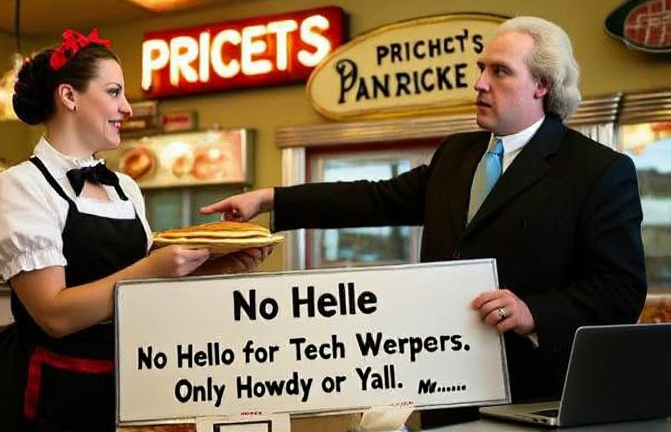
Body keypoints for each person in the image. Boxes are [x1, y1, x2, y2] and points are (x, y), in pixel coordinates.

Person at [201, 16, 647, 409]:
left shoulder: (597, 170)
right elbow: (374, 198)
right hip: (443, 388)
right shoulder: (456, 153)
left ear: (542, 85)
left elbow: (621, 290)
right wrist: (269, 199)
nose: (479, 83)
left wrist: (534, 311)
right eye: (481, 69)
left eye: (500, 71)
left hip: (532, 394)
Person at [0, 29, 270, 432]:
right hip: (48, 390)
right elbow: (54, 315)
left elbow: (139, 295)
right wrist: (154, 266)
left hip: (126, 383)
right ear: (69, 96)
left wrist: (215, 267)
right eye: (115, 92)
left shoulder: (126, 188)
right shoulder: (21, 185)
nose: (128, 109)